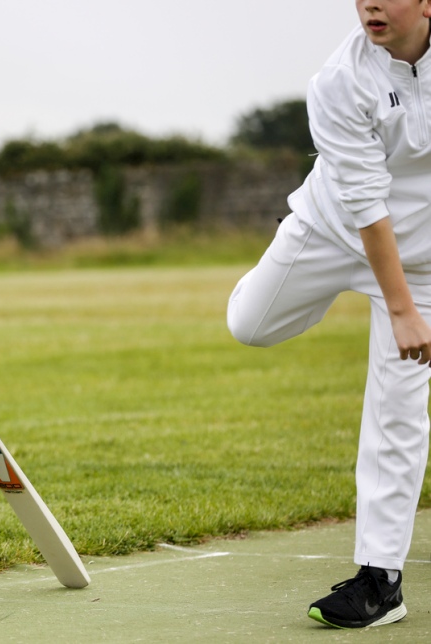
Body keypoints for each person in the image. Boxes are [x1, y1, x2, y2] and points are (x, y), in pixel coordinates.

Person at [227, 0, 431, 629]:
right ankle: (324, 285)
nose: (369, 4)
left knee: (399, 411)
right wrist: (396, 310)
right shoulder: (340, 80)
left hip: (421, 262)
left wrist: (405, 302)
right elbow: (368, 201)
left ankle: (380, 581)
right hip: (332, 230)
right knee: (249, 325)